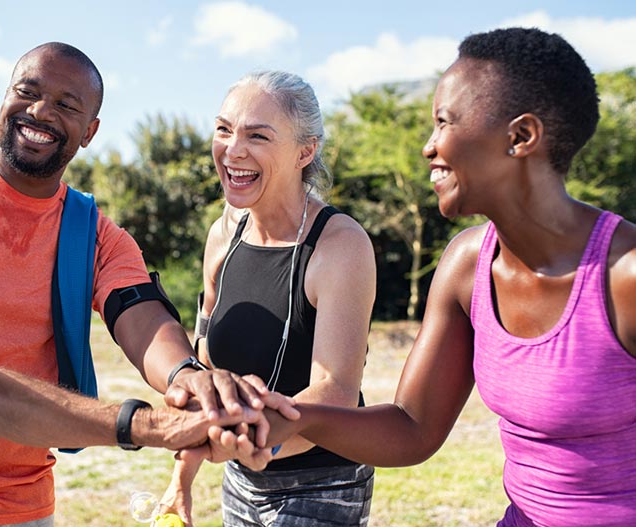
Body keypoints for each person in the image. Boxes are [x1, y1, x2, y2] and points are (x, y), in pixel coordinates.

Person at [0, 3, 296, 527]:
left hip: (24, 503)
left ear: (90, 130)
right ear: (5, 98)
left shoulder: (93, 234)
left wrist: (188, 377)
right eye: (28, 92)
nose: (40, 112)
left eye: (65, 104)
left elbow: (140, 314)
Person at [262, 27, 636, 527]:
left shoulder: (625, 277)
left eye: (443, 123)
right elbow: (411, 428)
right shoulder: (466, 264)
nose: (428, 147)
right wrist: (288, 416)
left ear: (521, 137)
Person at [157, 70, 377, 527]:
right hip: (240, 478)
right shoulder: (222, 236)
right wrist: (182, 477)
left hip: (323, 485)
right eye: (224, 130)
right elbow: (206, 370)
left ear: (305, 151)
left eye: (257, 135)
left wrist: (254, 441)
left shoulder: (339, 245)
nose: (233, 150)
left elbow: (335, 392)